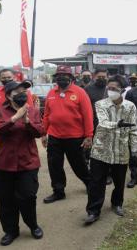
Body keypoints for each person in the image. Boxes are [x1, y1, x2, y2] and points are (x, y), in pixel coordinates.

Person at [0, 80, 45, 246]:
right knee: (5, 199)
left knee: (28, 196)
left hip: (27, 162)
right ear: (8, 95)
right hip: (3, 163)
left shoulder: (34, 111)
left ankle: (33, 225)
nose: (22, 94)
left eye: (24, 91)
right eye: (17, 92)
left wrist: (28, 121)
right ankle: (10, 230)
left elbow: (40, 131)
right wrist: (15, 118)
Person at [84, 75, 137, 224]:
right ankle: (93, 211)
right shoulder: (100, 104)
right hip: (101, 150)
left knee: (120, 181)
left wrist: (134, 150)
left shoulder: (130, 107)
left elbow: (134, 130)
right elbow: (102, 123)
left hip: (121, 150)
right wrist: (118, 125)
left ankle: (117, 204)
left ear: (122, 90)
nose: (111, 91)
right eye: (109, 88)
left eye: (114, 89)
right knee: (97, 182)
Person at [41, 65, 93, 204]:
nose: (61, 79)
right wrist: (43, 133)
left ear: (71, 78)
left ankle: (90, 184)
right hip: (55, 137)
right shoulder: (51, 93)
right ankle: (58, 191)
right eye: (59, 77)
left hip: (75, 137)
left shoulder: (80, 92)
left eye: (65, 77)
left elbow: (87, 115)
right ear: (55, 78)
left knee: (79, 164)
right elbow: (46, 115)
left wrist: (88, 136)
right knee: (54, 165)